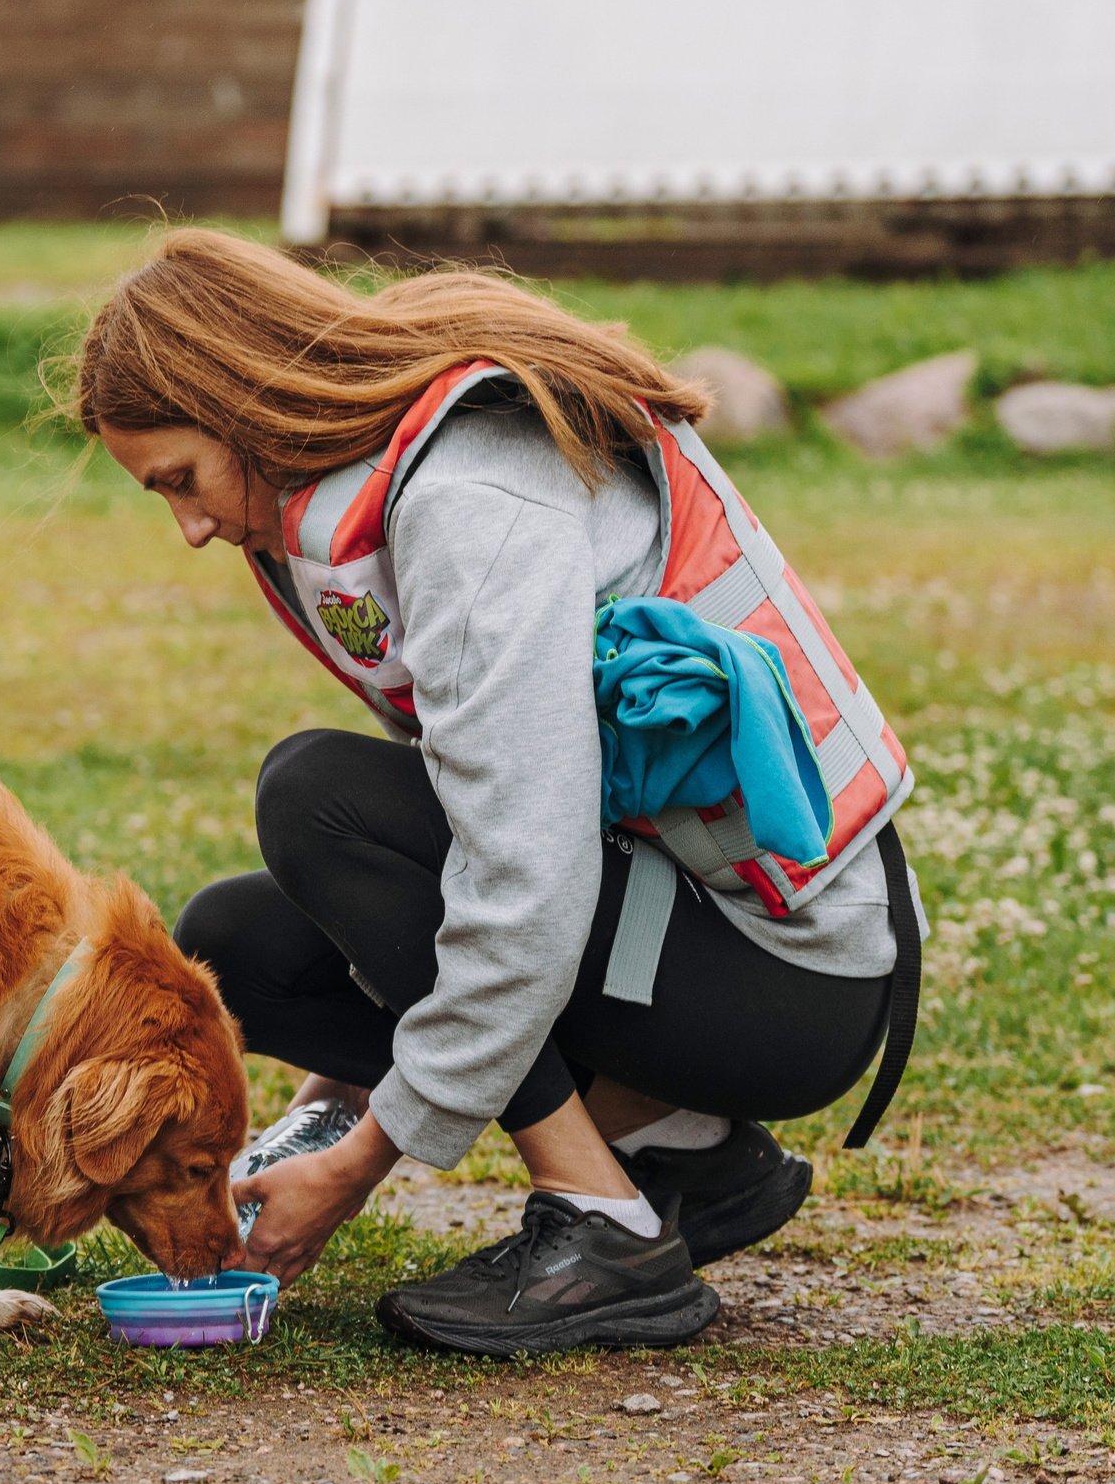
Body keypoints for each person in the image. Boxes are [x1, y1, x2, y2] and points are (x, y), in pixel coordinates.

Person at [60, 229, 925, 1357]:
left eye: (180, 478)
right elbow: (439, 845)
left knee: (317, 796)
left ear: (243, 404)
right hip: (669, 924)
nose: (189, 527)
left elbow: (524, 876)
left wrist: (364, 1154)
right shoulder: (356, 502)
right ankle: (680, 1153)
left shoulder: (467, 494)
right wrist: (318, 1109)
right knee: (242, 941)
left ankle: (604, 1226)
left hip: (788, 975)